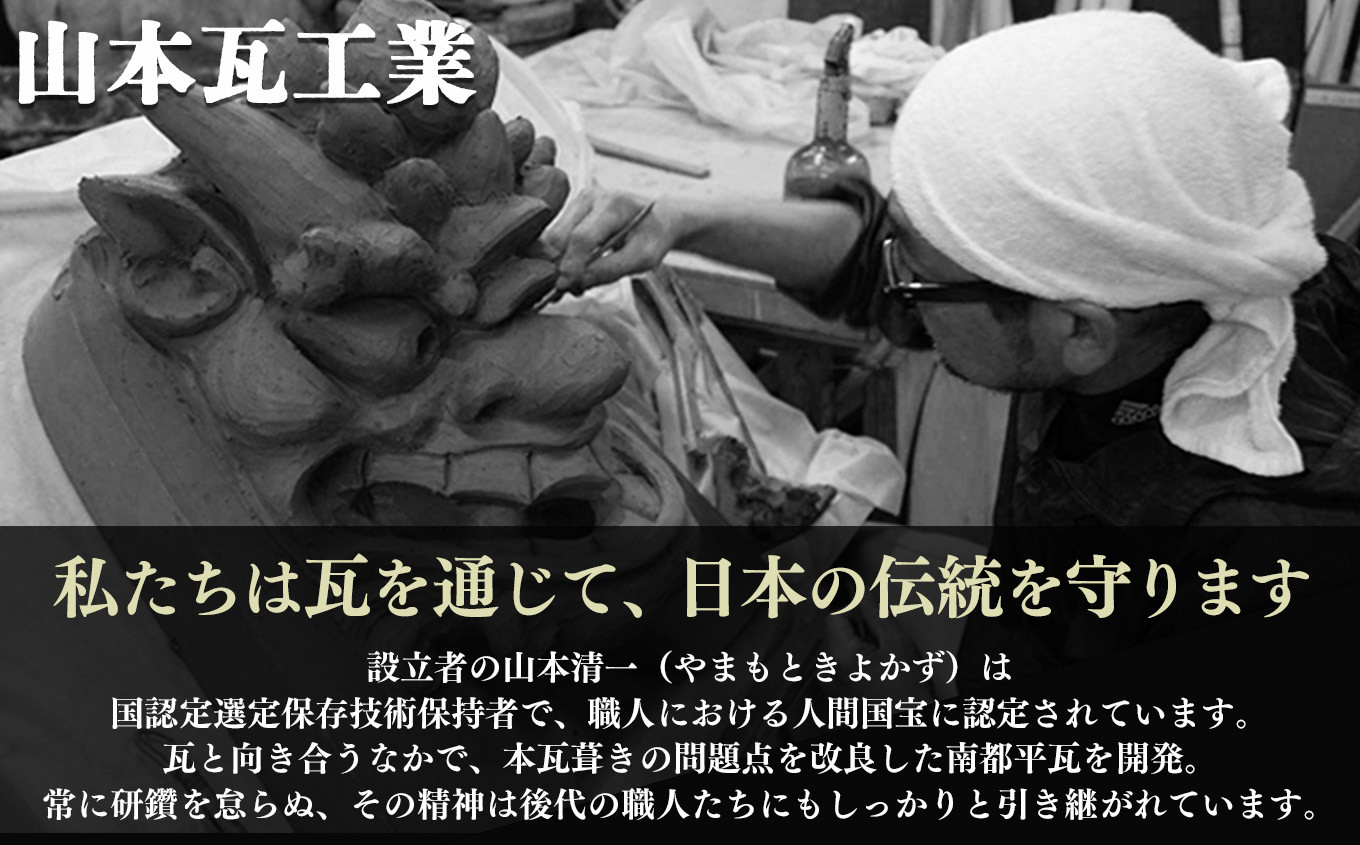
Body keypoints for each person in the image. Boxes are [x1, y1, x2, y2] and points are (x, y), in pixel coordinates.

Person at [546, 10, 1360, 528]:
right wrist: (684, 218)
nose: (894, 284)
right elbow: (878, 260)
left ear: (1080, 330)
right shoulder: (1158, 282)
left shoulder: (1239, 537)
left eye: (917, 273)